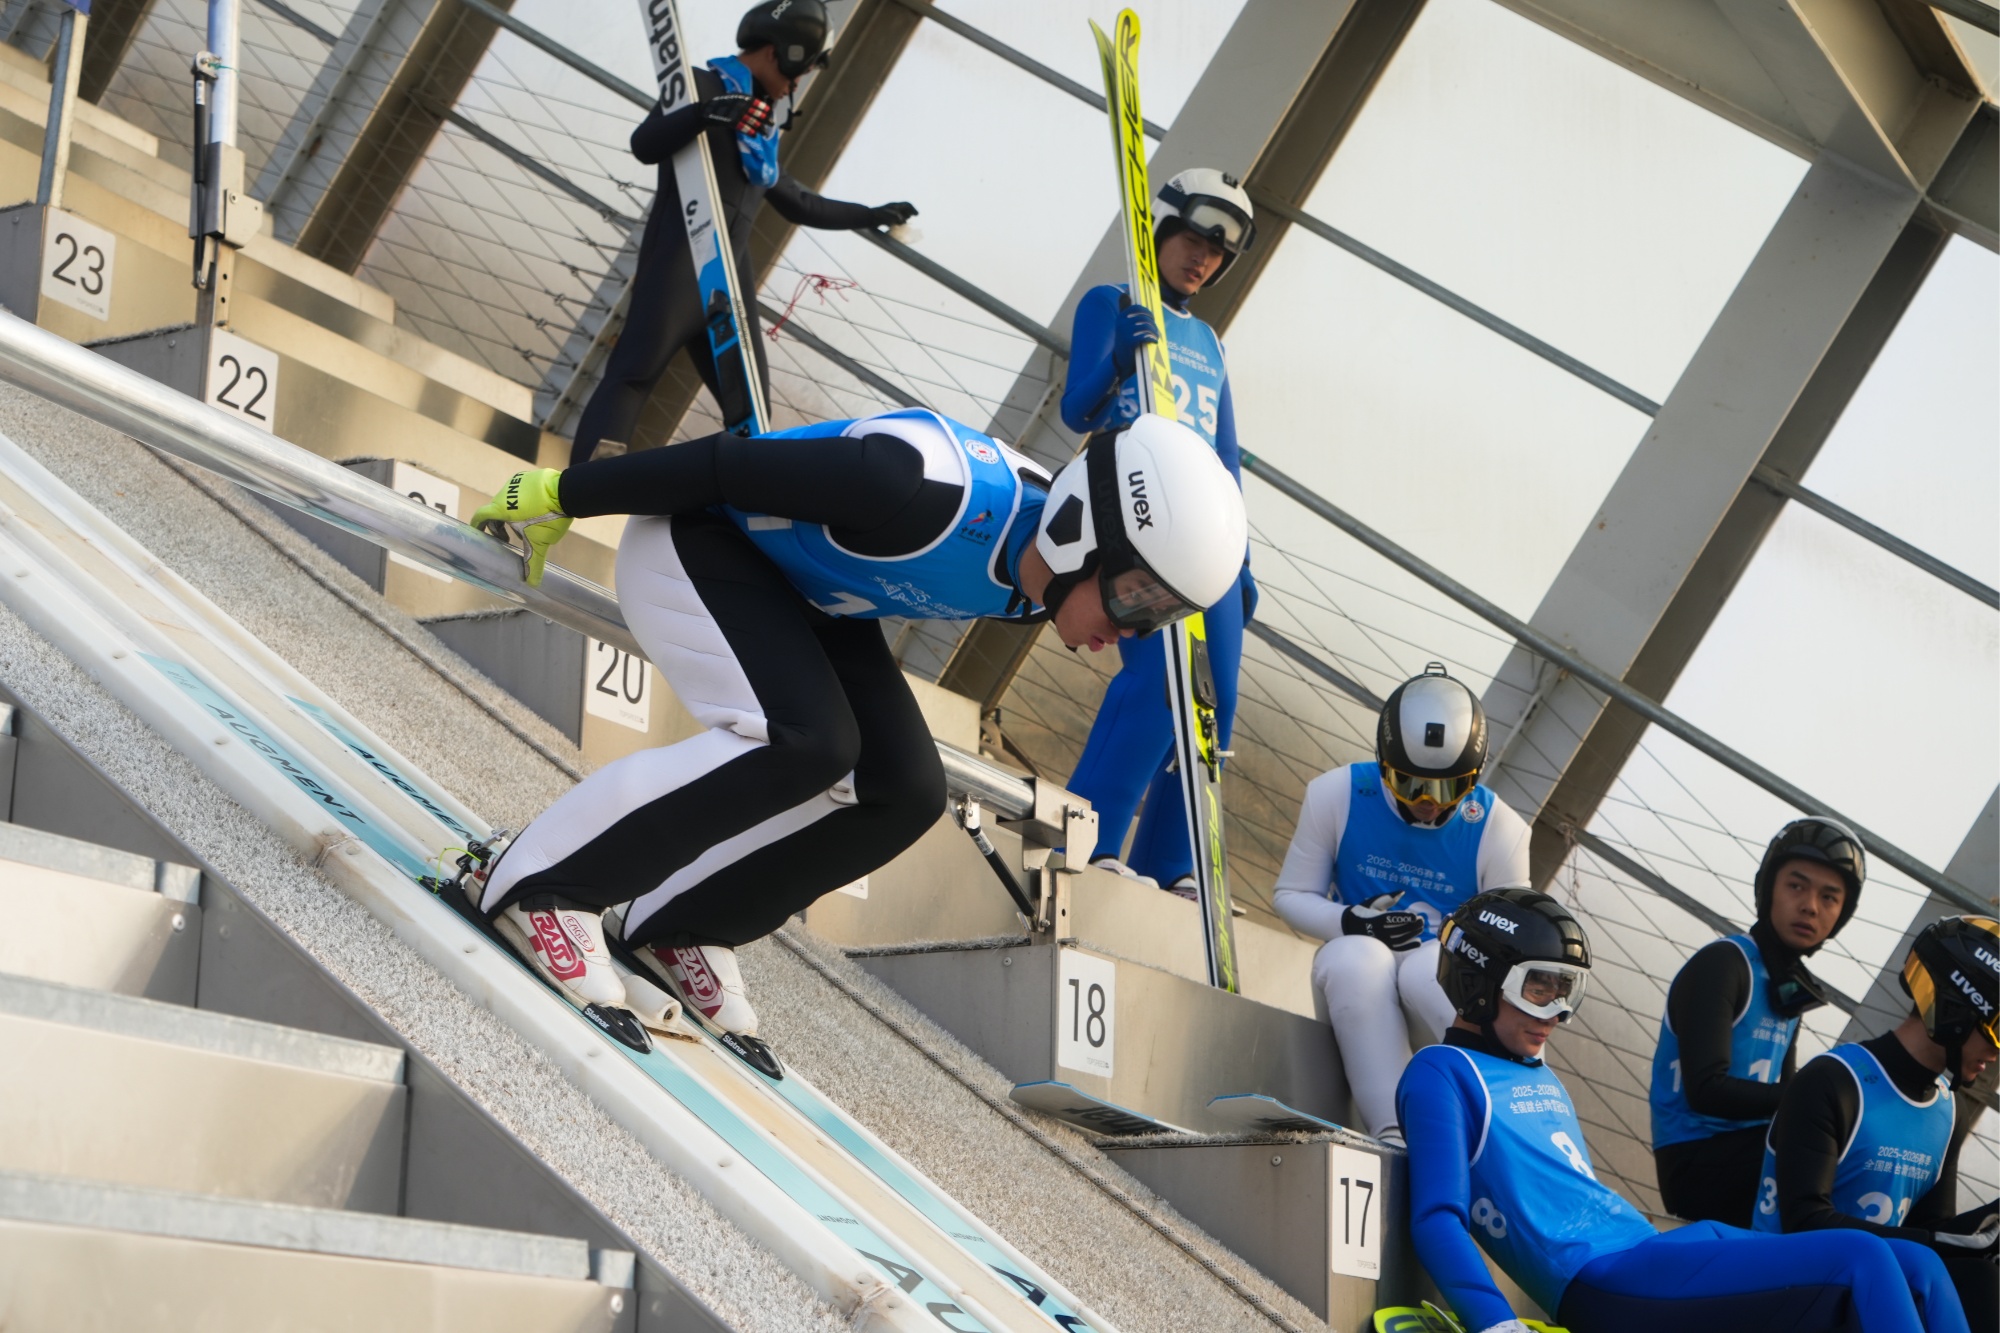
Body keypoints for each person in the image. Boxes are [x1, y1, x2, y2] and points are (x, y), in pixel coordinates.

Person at [468, 410, 1247, 1069]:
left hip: (802, 592)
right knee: (809, 740)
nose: (1130, 630)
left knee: (905, 788)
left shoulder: (1036, 584)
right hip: (691, 543)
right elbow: (723, 464)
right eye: (1136, 596)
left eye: (1159, 611)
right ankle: (541, 881)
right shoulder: (918, 487)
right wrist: (560, 492)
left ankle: (681, 926)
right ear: (1083, 533)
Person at [1399, 888, 1970, 1333]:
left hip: (1652, 1247)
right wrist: (1496, 1323)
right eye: (1540, 989)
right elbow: (1436, 1217)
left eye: (1568, 992)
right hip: (1607, 1280)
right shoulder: (1441, 1072)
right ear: (1479, 979)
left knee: (1919, 1266)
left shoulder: (1535, 1069)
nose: (1556, 1013)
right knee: (1863, 1257)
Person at [570, 0, 917, 466]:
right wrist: (705, 114)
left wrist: (871, 213)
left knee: (752, 416)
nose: (798, 83)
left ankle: (726, 520)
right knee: (633, 375)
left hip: (729, 281)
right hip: (681, 263)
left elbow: (798, 201)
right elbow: (644, 144)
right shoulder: (701, 85)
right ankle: (578, 492)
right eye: (802, 69)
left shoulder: (761, 126)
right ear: (780, 53)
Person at [1061, 168, 1257, 896]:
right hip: (1139, 517)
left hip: (1209, 535)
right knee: (1154, 686)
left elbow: (1226, 454)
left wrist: (1243, 555)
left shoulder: (1208, 340)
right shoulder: (1110, 301)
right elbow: (1076, 414)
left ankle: (1171, 858)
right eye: (1194, 239)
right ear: (1161, 226)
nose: (1202, 259)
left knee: (1218, 702)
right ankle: (1091, 833)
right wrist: (1116, 358)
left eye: (1218, 253)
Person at [1270, 664, 1530, 1145]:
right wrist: (1352, 921)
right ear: (1382, 766)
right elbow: (1290, 895)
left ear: (1473, 779)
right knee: (1356, 956)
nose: (1427, 802)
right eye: (1408, 784)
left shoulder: (1501, 828)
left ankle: (1511, 1132)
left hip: (1440, 981)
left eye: (1448, 788)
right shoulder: (1337, 793)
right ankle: (1393, 1138)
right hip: (1358, 975)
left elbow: (1510, 949)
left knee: (1426, 967)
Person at [1752, 915, 1999, 1327]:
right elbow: (1806, 1222)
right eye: (1995, 1028)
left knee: (1977, 1275)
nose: (1996, 1052)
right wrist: (1948, 1244)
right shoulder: (1833, 1080)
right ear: (1956, 1008)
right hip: (1779, 1296)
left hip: (1858, 1300)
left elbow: (1931, 1228)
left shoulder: (1946, 1110)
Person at [1649, 817, 1864, 1225]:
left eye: (1830, 897)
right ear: (1768, 889)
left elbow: (1786, 1091)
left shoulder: (1786, 981)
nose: (1810, 906)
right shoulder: (1725, 964)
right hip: (1696, 1159)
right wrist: (1819, 1100)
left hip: (1751, 1151)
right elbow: (1706, 1090)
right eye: (1796, 886)